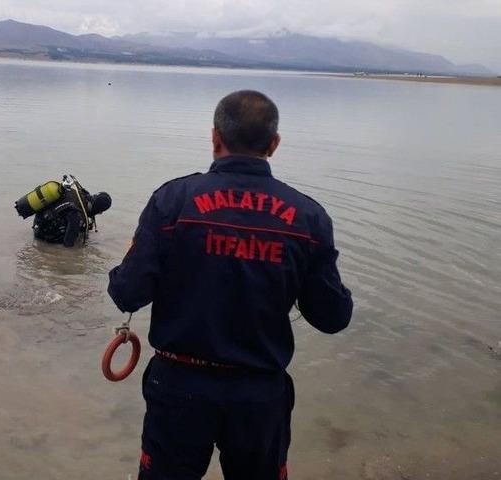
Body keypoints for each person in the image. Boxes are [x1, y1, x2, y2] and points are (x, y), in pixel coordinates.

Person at [107, 90, 353, 480]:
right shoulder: (308, 217)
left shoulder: (172, 201)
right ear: (273, 144)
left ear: (215, 137)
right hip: (259, 395)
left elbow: (128, 293)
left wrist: (128, 262)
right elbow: (332, 317)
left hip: (179, 387)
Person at [32, 178, 112, 247]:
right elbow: (68, 245)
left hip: (39, 220)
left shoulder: (79, 194)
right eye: (100, 211)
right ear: (97, 209)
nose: (100, 213)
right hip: (41, 234)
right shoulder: (76, 214)